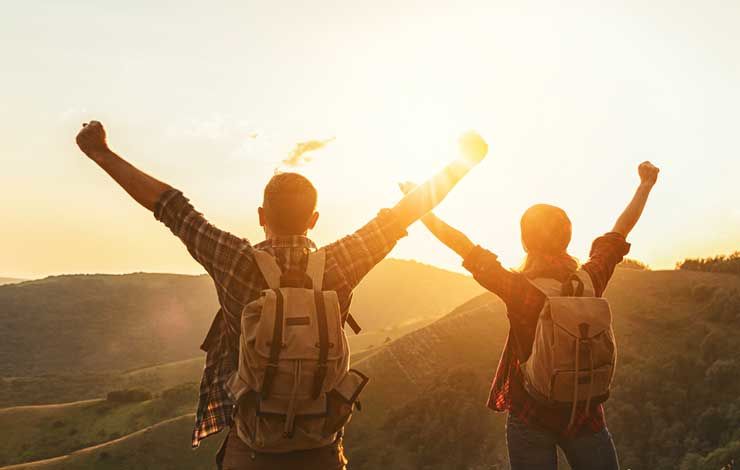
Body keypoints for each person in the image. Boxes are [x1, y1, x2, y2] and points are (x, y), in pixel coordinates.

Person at [75, 120, 488, 469]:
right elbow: (404, 213)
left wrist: (101, 153)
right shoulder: (340, 262)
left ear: (261, 217)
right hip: (320, 446)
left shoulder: (235, 261)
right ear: (314, 219)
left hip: (252, 447)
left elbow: (171, 207)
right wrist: (464, 162)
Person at [399, 161, 660, 470]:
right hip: (584, 412)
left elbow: (464, 246)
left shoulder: (520, 289)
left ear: (525, 241)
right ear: (567, 238)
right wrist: (645, 185)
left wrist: (422, 209)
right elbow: (620, 230)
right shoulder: (590, 279)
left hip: (531, 414)